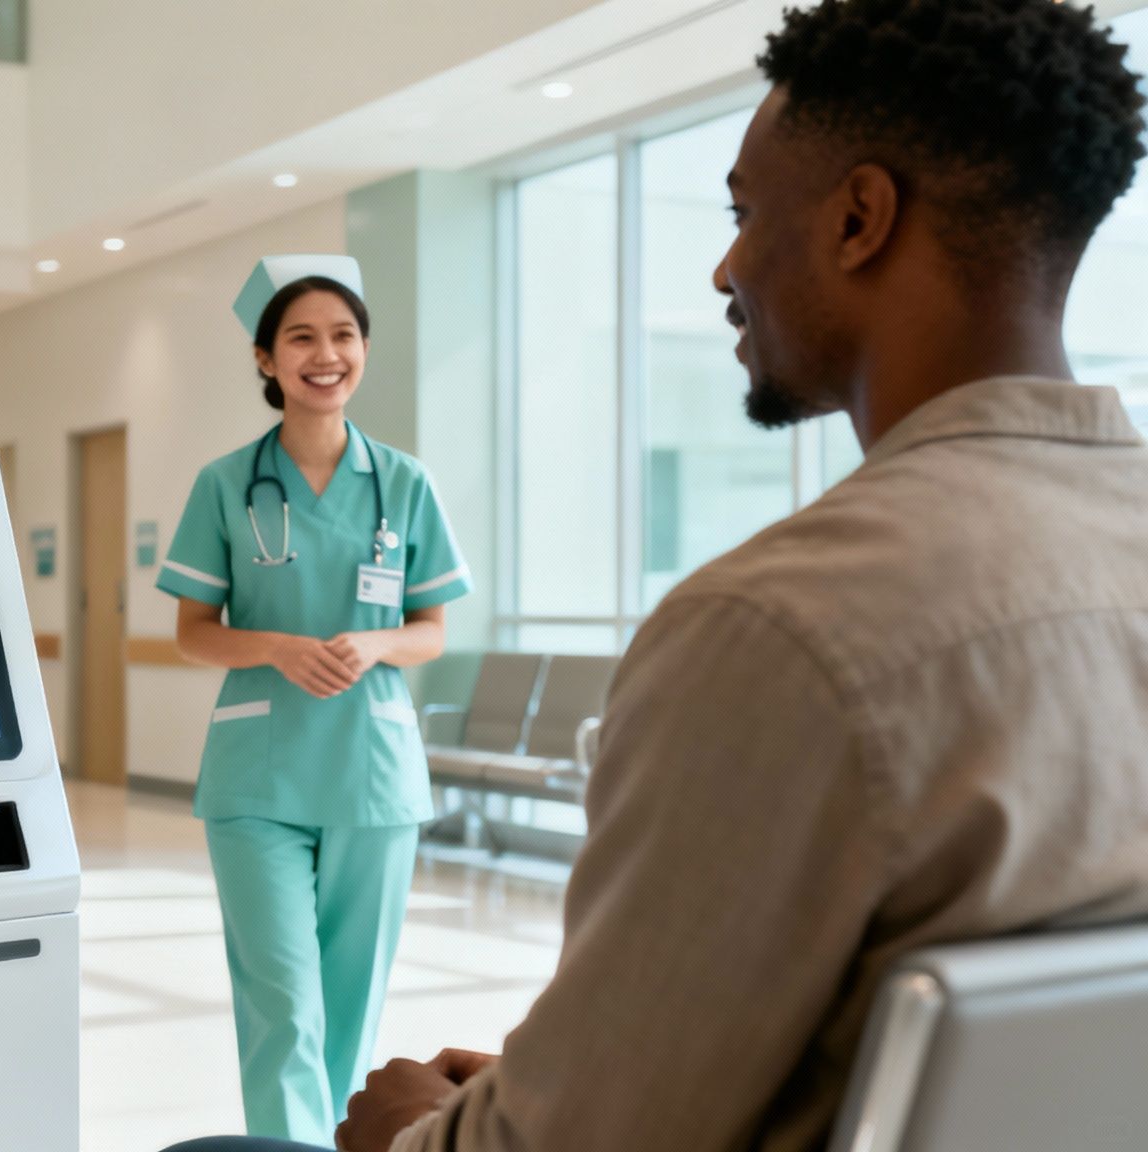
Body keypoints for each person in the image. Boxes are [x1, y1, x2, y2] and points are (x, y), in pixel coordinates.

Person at [169, 1, 1148, 1150]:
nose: (723, 264)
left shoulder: (773, 628)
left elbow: (563, 1139)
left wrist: (413, 1128)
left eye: (741, 213)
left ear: (857, 218)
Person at [155, 254, 471, 1145]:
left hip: (372, 775)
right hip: (259, 779)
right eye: (301, 337)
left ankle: (330, 1143)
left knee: (348, 1010)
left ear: (363, 350)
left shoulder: (404, 484)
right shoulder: (227, 484)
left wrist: (376, 641)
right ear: (266, 360)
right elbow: (193, 631)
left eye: (343, 335)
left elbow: (431, 629)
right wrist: (278, 649)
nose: (324, 353)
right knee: (283, 1007)